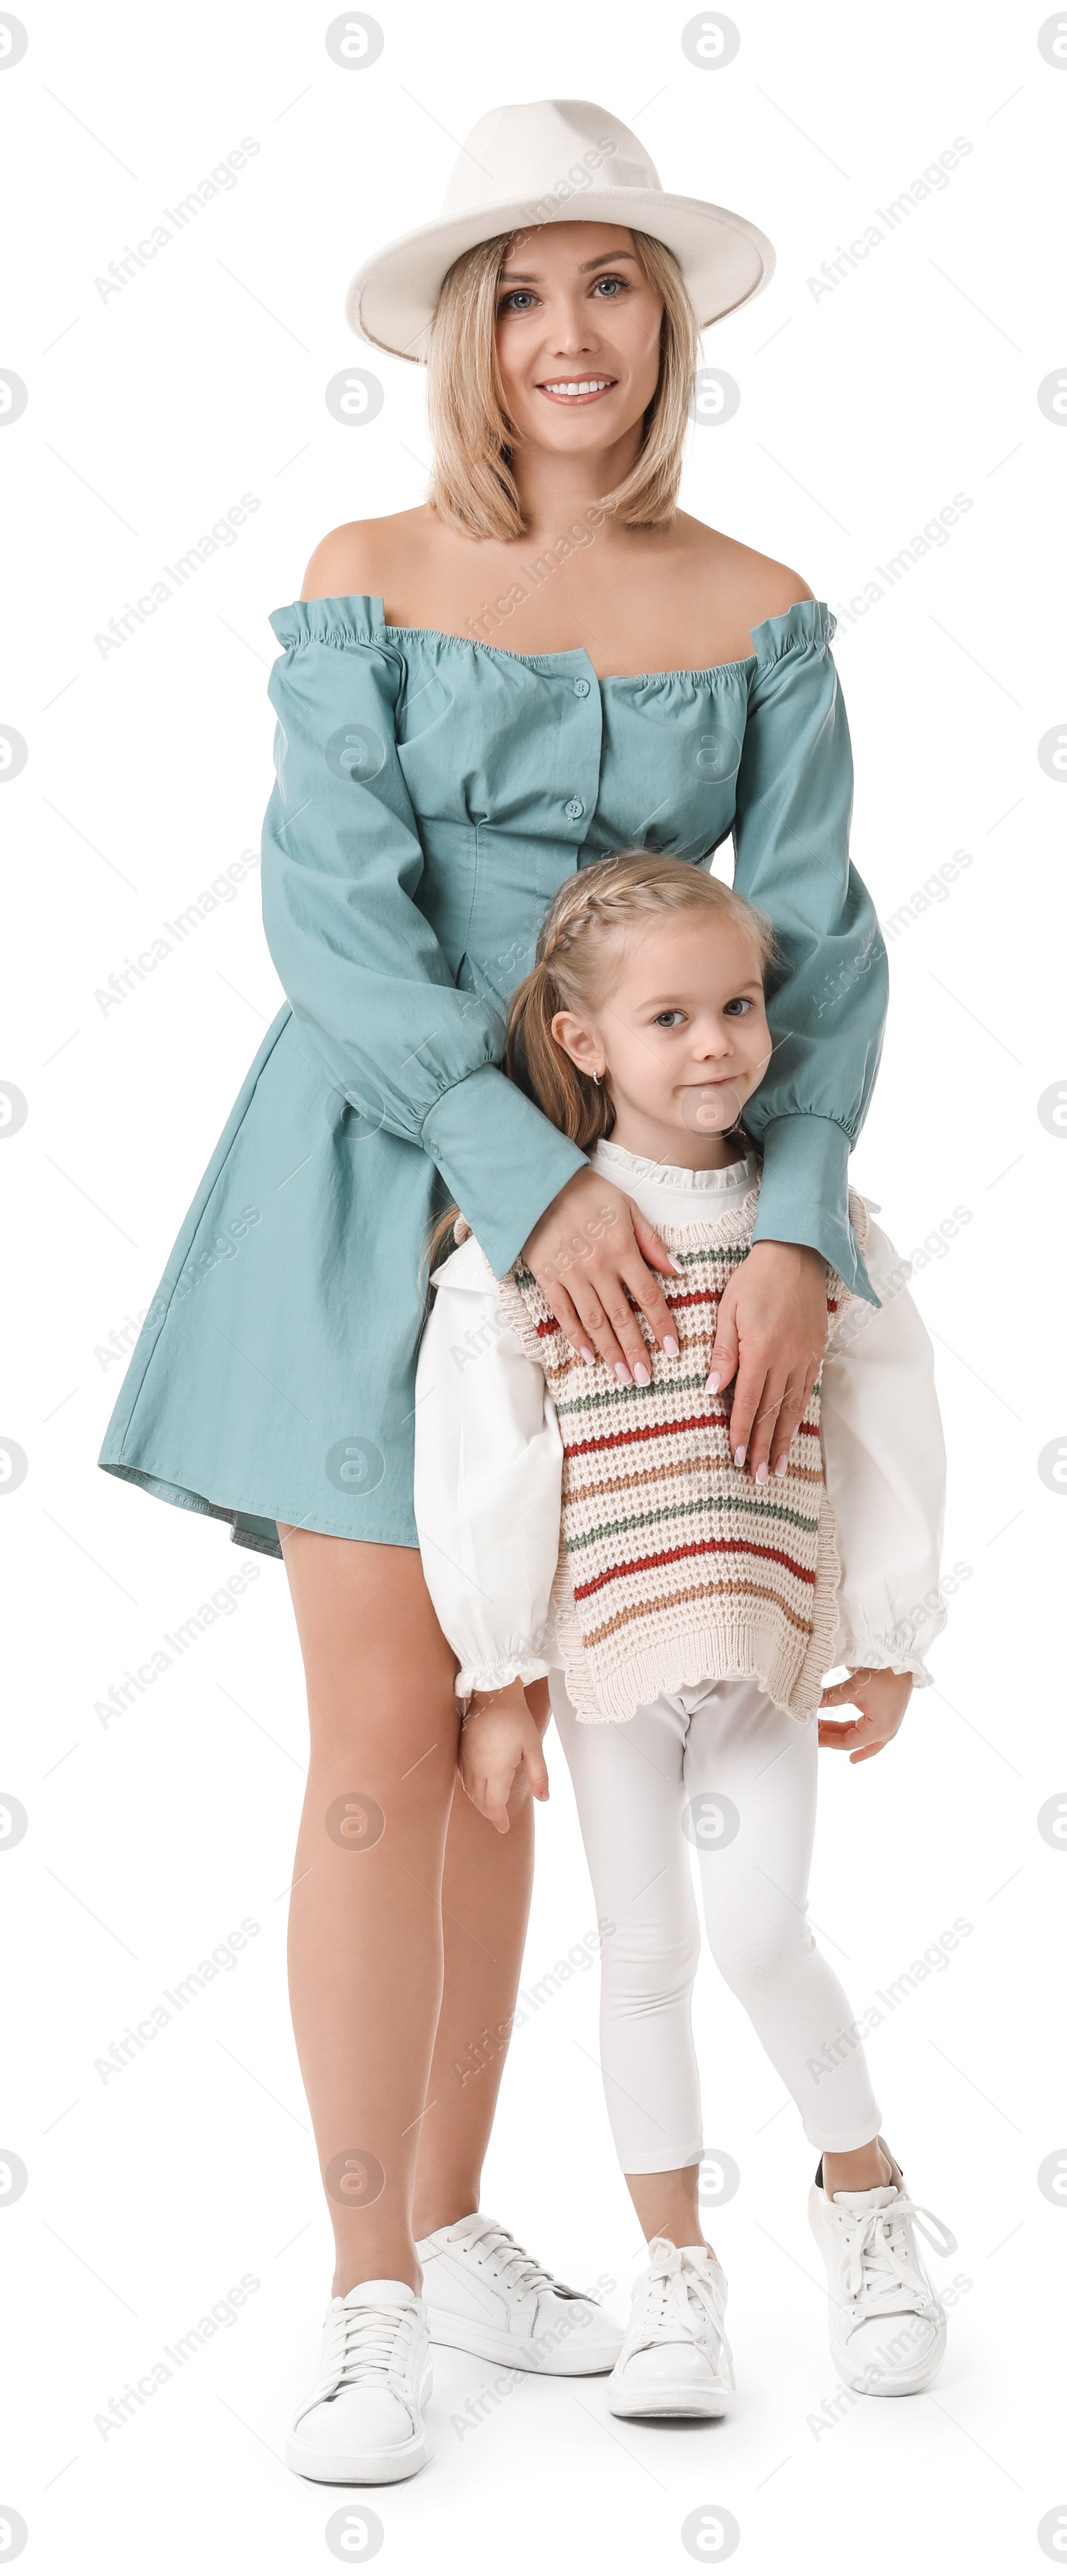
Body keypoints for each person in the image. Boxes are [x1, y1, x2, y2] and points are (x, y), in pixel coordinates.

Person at [98, 97, 891, 2483]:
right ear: (467, 328)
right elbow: (335, 924)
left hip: (660, 1225)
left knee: (511, 1720)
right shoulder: (363, 572)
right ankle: (359, 2299)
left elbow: (826, 959)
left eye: (615, 282)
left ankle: (450, 2226)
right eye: (524, 289)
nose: (572, 332)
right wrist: (508, 1172)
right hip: (367, 1183)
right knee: (375, 1726)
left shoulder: (761, 605)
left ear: (673, 319)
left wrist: (804, 1235)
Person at [415, 851, 958, 2422]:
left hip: (763, 1634)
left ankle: (864, 2206)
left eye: (738, 1005)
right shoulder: (534, 1233)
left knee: (763, 1934)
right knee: (643, 1955)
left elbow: (884, 1414)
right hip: (610, 1652)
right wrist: (502, 1675)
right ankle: (674, 2275)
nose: (716, 1042)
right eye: (670, 1015)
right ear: (584, 1043)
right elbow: (492, 1454)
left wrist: (888, 1628)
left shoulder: (807, 1218)